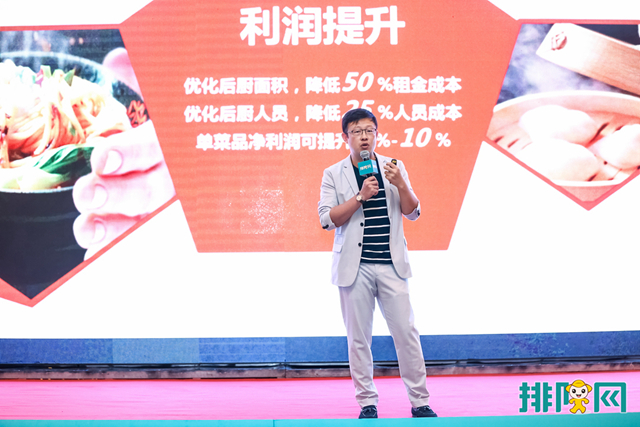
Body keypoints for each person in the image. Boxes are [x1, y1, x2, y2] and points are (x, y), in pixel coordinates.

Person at [318, 108, 436, 419]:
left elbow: (413, 212)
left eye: (369, 131)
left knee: (407, 334)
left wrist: (402, 185)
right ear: (345, 137)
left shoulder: (393, 167)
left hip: (391, 265)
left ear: (377, 134)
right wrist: (360, 197)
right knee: (359, 340)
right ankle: (367, 403)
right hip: (353, 269)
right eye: (357, 132)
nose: (364, 137)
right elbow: (327, 219)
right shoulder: (333, 173)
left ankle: (420, 402)